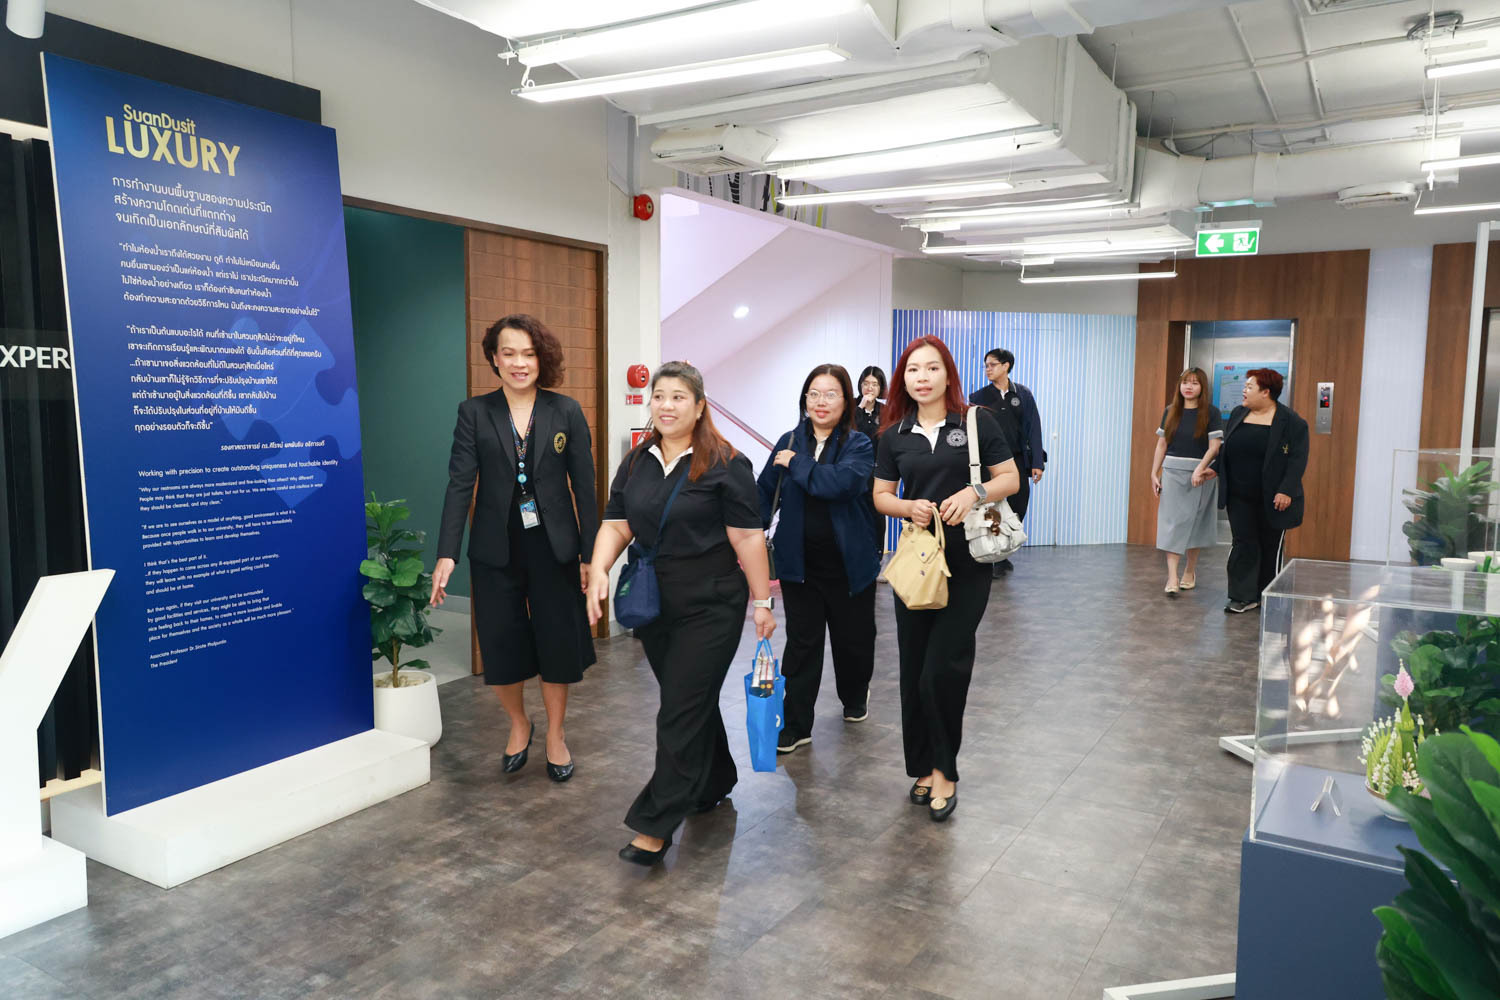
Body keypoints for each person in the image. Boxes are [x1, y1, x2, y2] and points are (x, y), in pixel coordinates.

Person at [586, 361, 775, 867]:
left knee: (678, 709)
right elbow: (617, 522)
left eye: (678, 397)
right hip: (654, 603)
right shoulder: (638, 460)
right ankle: (714, 780)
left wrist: (762, 603)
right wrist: (600, 568)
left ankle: (655, 822)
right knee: (688, 700)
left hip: (711, 604)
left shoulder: (727, 463)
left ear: (699, 406)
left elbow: (748, 538)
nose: (666, 406)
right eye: (659, 396)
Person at [433, 314, 597, 782]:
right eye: (509, 353)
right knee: (501, 642)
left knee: (557, 642)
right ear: (494, 358)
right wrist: (447, 552)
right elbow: (459, 484)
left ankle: (556, 734)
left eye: (528, 353)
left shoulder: (566, 410)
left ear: (541, 358)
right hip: (495, 546)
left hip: (555, 546)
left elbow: (584, 488)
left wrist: (591, 556)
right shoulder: (474, 412)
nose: (519, 363)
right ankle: (519, 723)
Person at [874, 336, 1019, 822]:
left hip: (969, 561)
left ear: (947, 374)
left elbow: (1010, 478)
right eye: (913, 369)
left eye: (932, 368)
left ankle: (945, 770)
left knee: (944, 668)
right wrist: (907, 507)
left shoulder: (976, 420)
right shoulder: (894, 434)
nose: (922, 377)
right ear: (904, 378)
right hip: (918, 562)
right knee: (914, 670)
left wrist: (974, 492)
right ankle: (921, 767)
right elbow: (880, 495)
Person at [756, 364, 880, 754]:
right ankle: (796, 725)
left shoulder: (859, 445)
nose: (820, 402)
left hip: (849, 565)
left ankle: (855, 694)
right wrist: (744, 533)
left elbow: (840, 484)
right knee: (802, 645)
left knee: (853, 642)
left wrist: (796, 463)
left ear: (846, 401)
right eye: (813, 394)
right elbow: (764, 493)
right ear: (804, 399)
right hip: (800, 566)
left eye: (830, 394)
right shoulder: (790, 440)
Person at [1213, 368, 1308, 614]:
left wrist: (1286, 490)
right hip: (1239, 496)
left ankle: (1267, 594)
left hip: (1274, 498)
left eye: (1249, 387)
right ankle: (1242, 596)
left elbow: (1297, 460)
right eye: (1245, 386)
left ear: (1266, 392)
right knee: (1243, 543)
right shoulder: (1238, 413)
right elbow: (1228, 450)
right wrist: (1213, 469)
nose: (1244, 391)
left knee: (1270, 546)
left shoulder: (1292, 422)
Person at [968, 348, 1045, 576]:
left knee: (1018, 505)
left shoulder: (1023, 394)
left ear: (1006, 366)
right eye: (986, 365)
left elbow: (1034, 428)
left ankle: (1005, 551)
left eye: (992, 365)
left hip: (1018, 461)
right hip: (988, 465)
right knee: (991, 508)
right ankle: (992, 556)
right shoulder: (978, 398)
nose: (987, 369)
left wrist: (1037, 462)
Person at [1150, 368, 1223, 595]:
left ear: (1202, 387)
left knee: (1196, 524)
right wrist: (1154, 473)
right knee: (1172, 524)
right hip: (1172, 472)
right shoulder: (1170, 411)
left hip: (1201, 475)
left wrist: (1201, 469)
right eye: (1185, 382)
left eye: (1194, 383)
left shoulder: (1211, 412)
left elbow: (1215, 447)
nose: (1189, 387)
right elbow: (1162, 444)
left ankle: (1190, 571)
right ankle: (1172, 576)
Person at [854, 366, 886, 442]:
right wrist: (861, 406)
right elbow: (847, 430)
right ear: (860, 385)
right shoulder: (850, 404)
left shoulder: (885, 410)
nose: (870, 388)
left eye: (874, 384)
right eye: (866, 384)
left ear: (880, 388)